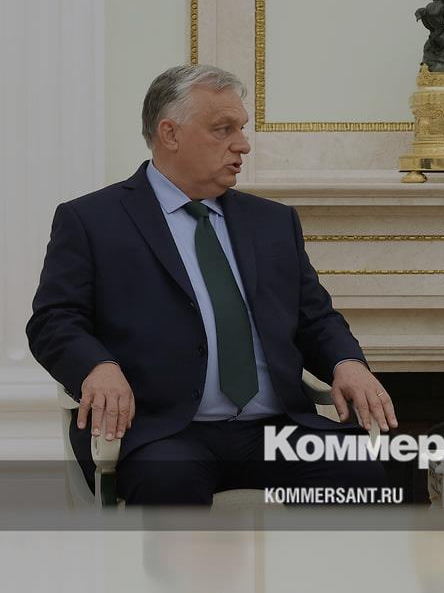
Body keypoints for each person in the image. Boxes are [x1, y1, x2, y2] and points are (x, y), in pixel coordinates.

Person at [27, 65, 396, 505]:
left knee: (363, 469)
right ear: (170, 134)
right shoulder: (93, 220)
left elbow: (315, 317)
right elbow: (54, 320)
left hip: (275, 428)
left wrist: (347, 363)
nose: (242, 144)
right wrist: (97, 366)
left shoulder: (273, 222)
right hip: (163, 432)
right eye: (223, 129)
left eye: (241, 128)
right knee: (170, 482)